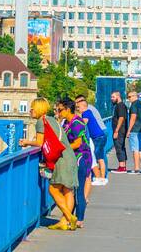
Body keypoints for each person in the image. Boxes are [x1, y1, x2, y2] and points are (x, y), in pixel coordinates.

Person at [18, 98, 77, 230]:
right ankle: (65, 222)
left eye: (32, 108)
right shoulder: (51, 119)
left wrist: (26, 142)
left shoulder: (40, 122)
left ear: (38, 108)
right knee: (67, 190)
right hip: (69, 156)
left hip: (61, 160)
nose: (30, 110)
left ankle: (69, 217)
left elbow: (39, 143)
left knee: (53, 189)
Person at [57, 97, 93, 229]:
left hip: (81, 158)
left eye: (60, 110)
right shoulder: (66, 123)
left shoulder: (77, 122)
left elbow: (77, 143)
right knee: (70, 189)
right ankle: (69, 216)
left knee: (78, 190)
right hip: (73, 158)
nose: (58, 112)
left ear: (67, 109)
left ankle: (80, 219)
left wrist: (62, 148)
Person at [77, 95, 110, 187]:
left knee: (99, 157)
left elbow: (83, 123)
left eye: (79, 107)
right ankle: (101, 177)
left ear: (84, 106)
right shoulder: (89, 111)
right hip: (99, 136)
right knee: (99, 157)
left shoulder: (86, 113)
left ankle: (102, 178)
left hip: (98, 137)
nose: (78, 109)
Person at [126, 89, 141, 174]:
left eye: (129, 97)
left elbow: (133, 118)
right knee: (140, 149)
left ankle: (136, 168)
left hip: (134, 130)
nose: (128, 98)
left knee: (135, 149)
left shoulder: (133, 105)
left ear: (134, 96)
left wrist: (128, 130)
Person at [110, 90, 130, 173]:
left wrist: (116, 131)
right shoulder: (120, 106)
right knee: (121, 147)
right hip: (121, 130)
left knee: (119, 147)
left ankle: (122, 167)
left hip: (119, 130)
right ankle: (123, 166)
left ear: (118, 97)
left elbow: (121, 118)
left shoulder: (120, 106)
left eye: (113, 97)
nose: (111, 99)